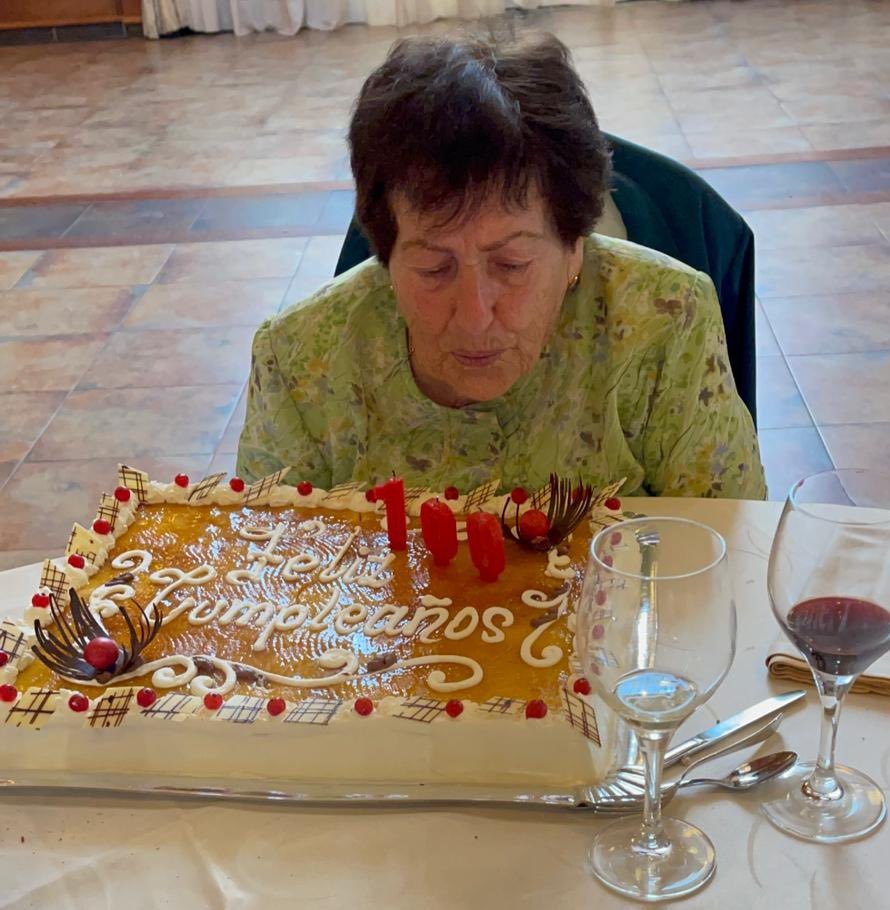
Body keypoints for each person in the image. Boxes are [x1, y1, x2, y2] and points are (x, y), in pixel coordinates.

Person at [237, 32, 766, 500]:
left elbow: (731, 548)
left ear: (576, 243)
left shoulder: (667, 323)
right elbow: (274, 576)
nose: (473, 318)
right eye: (432, 268)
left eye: (511, 264)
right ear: (385, 254)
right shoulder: (298, 361)